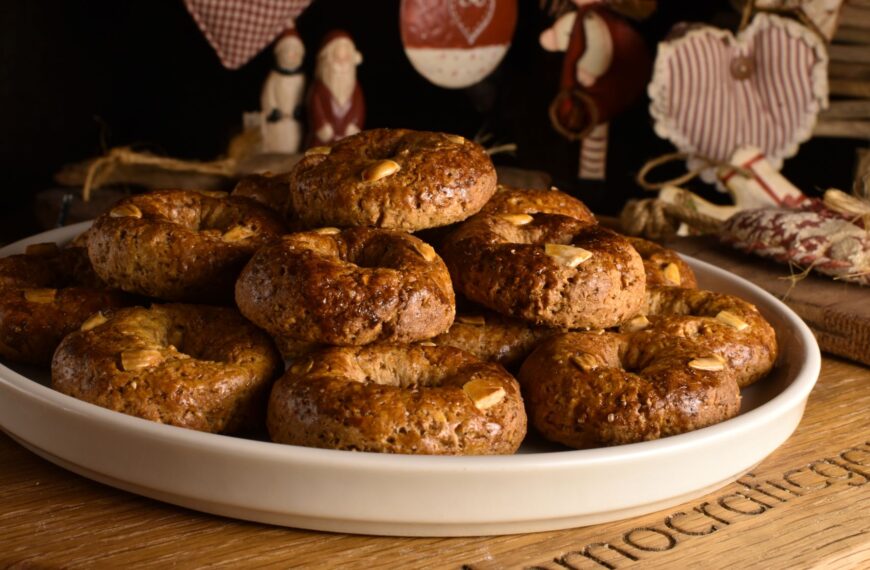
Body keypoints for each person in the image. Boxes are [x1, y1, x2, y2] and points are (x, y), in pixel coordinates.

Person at [306, 30, 365, 148]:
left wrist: (355, 124)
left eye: (346, 58)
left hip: (347, 139)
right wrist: (321, 125)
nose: (342, 63)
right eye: (337, 58)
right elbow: (315, 107)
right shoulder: (319, 89)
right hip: (324, 140)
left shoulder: (355, 88)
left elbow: (359, 108)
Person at [260, 28, 307, 154]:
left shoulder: (301, 78)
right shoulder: (274, 77)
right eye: (289, 51)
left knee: (295, 142)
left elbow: (303, 96)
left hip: (293, 122)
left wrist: (298, 109)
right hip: (278, 122)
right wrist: (273, 110)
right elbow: (268, 96)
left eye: (296, 51)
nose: (293, 55)